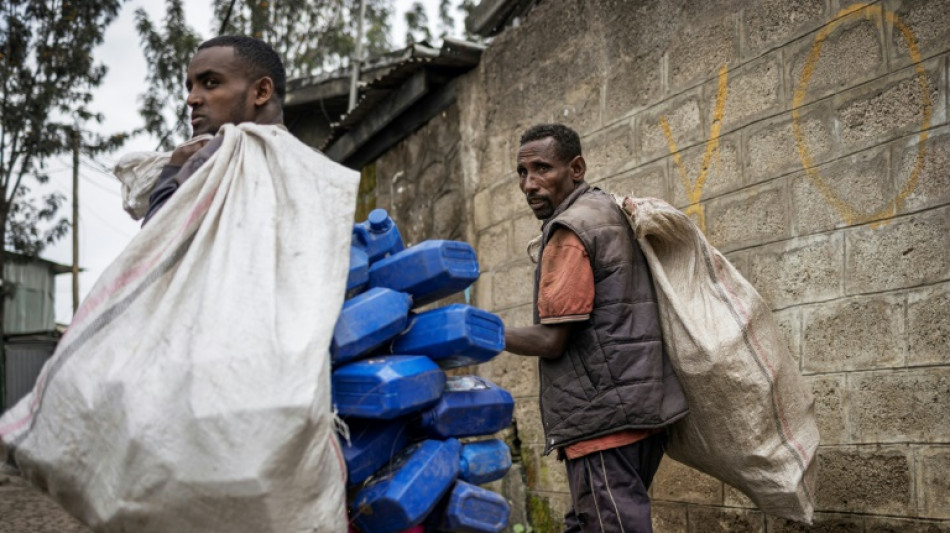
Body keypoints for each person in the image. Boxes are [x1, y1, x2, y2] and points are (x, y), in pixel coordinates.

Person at [503, 123, 689, 532]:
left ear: (576, 168)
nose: (529, 184)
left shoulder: (570, 231)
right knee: (589, 523)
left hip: (604, 420)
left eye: (541, 169)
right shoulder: (609, 210)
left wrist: (480, 331)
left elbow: (552, 340)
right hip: (643, 408)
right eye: (522, 172)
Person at [142, 35, 287, 224]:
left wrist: (174, 170)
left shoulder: (214, 158)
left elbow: (156, 238)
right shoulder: (317, 168)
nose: (191, 99)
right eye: (190, 88)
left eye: (211, 83)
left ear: (261, 92)